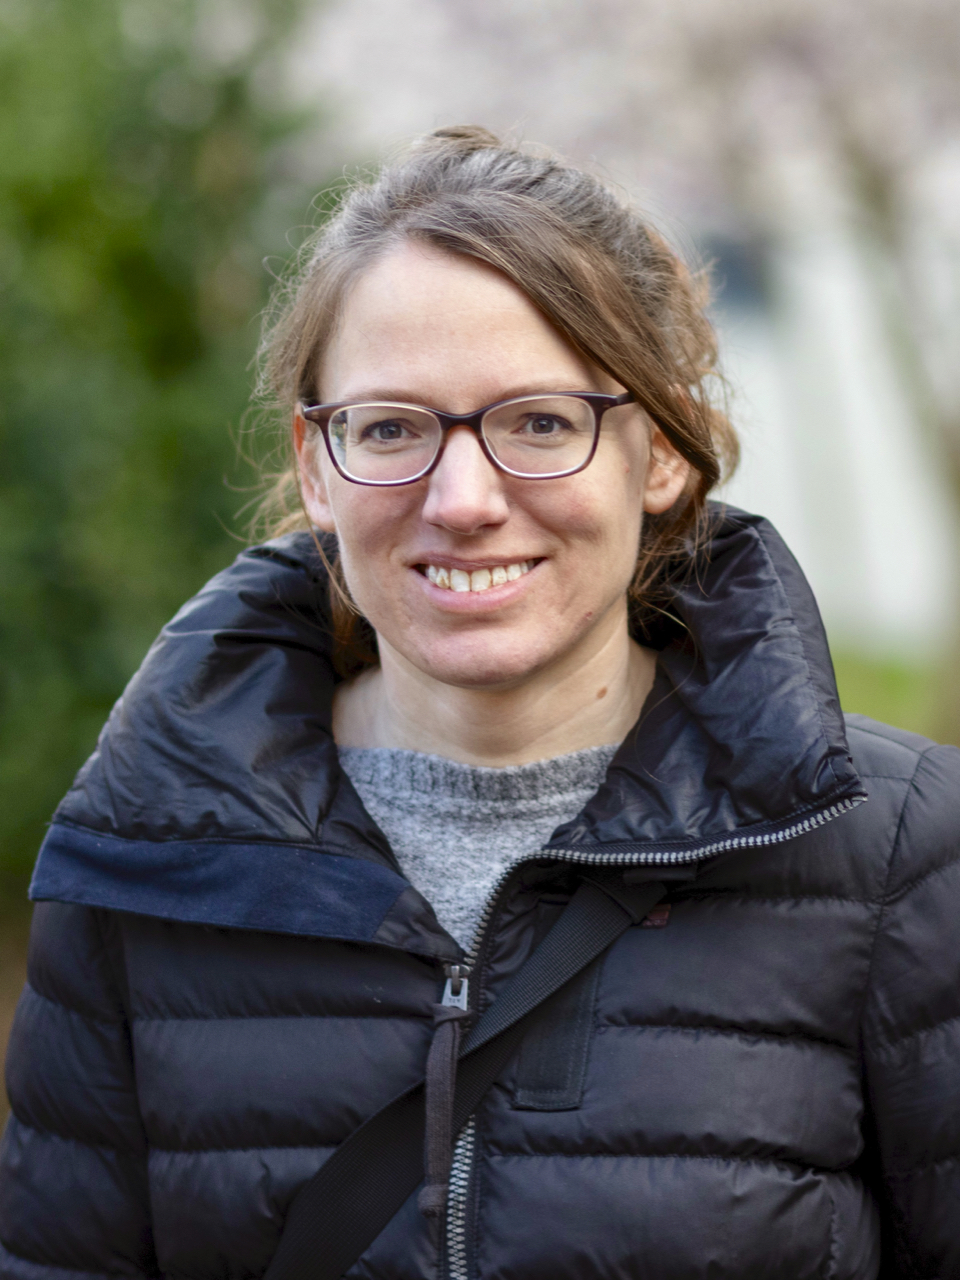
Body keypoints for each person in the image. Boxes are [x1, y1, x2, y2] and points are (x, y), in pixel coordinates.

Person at [1, 125, 959, 1280]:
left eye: (541, 422)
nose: (463, 499)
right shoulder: (144, 856)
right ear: (316, 465)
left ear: (661, 451)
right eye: (392, 428)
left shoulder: (903, 852)